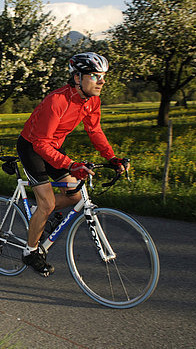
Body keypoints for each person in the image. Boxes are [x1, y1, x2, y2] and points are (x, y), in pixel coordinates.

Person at [17, 52, 128, 276]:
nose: (102, 81)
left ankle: (42, 217)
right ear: (78, 77)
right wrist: (70, 165)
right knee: (47, 204)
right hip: (33, 147)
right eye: (96, 76)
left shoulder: (91, 101)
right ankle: (30, 252)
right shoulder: (57, 101)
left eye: (103, 76)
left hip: (53, 147)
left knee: (75, 195)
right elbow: (40, 145)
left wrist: (111, 157)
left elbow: (94, 131)